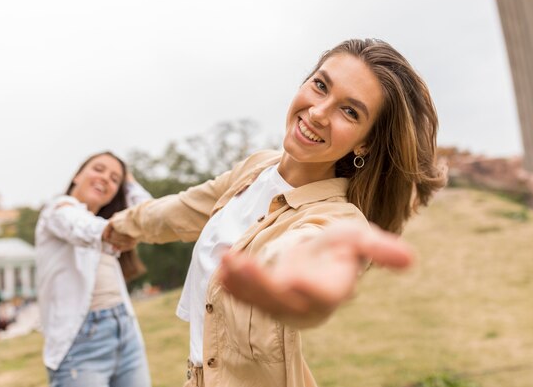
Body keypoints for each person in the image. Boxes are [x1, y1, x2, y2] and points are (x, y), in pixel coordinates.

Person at [105, 38, 446, 387]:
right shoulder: (255, 169)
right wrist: (119, 226)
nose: (317, 112)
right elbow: (183, 209)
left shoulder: (337, 220)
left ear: (365, 142)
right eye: (320, 85)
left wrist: (301, 273)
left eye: (350, 111)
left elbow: (302, 250)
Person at [35, 151, 153, 387]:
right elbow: (78, 225)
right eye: (98, 169)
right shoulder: (57, 211)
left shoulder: (105, 220)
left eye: (114, 179)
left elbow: (151, 214)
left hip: (126, 331)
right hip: (81, 342)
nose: (105, 179)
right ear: (77, 175)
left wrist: (130, 181)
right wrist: (113, 233)